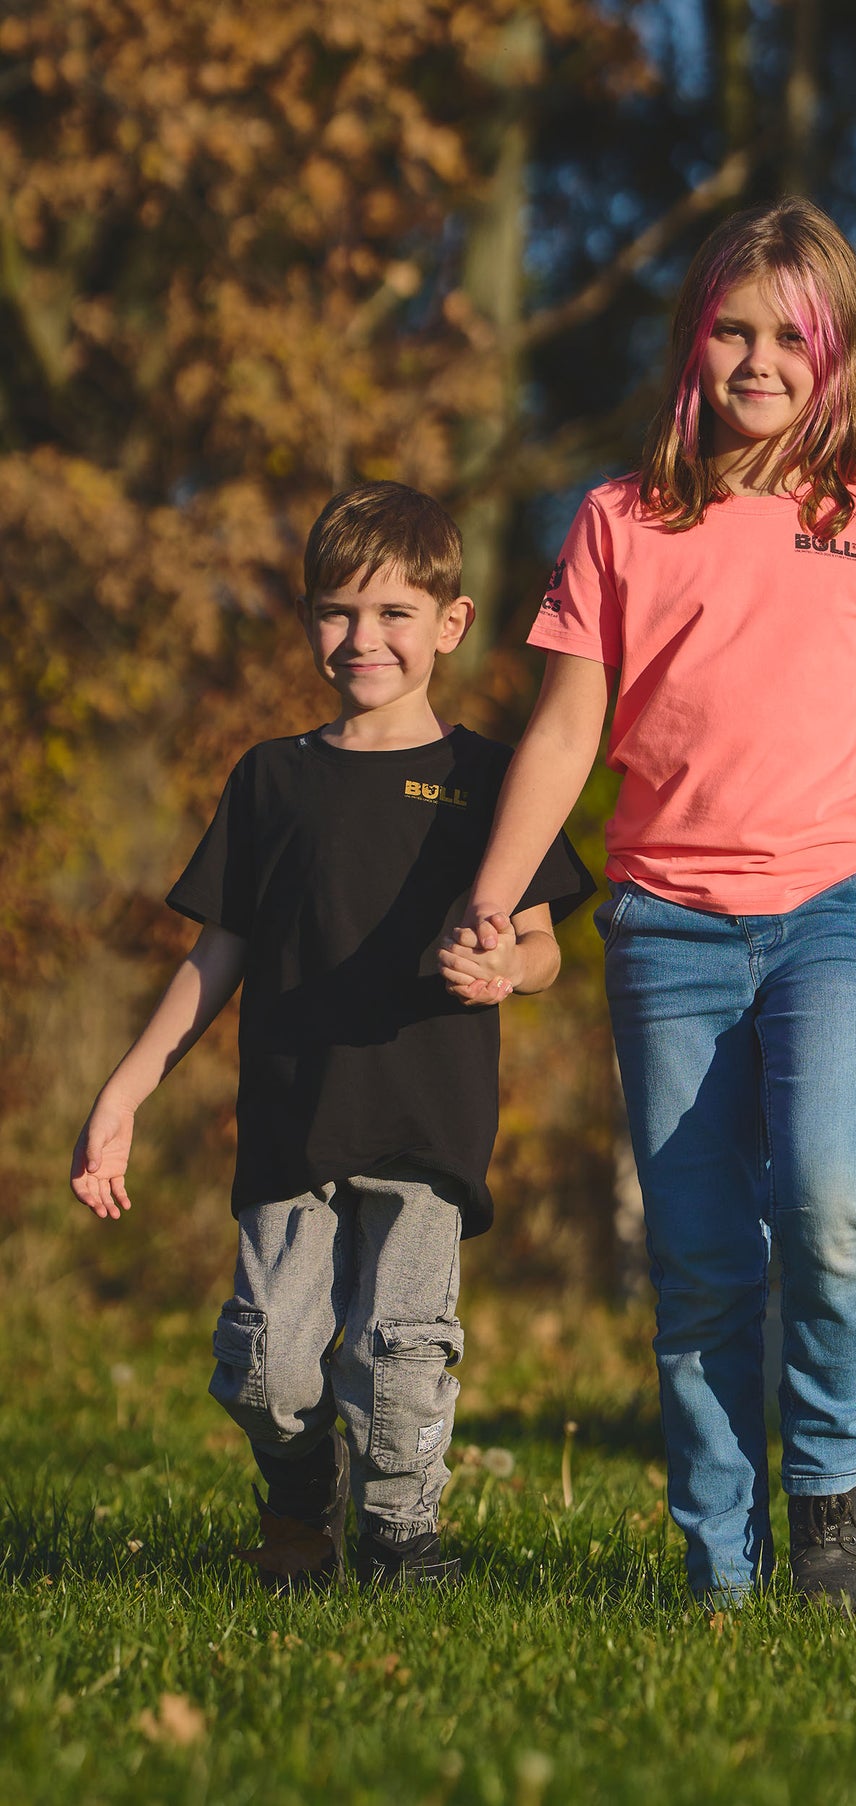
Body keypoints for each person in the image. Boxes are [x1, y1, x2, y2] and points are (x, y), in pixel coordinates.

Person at [437, 198, 856, 1609]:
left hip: (839, 913)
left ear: (837, 357)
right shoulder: (620, 522)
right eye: (733, 329)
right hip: (665, 928)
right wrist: (496, 903)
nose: (760, 359)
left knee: (826, 1205)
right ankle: (718, 1557)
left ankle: (826, 1491)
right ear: (693, 343)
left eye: (790, 336)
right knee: (695, 1256)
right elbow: (566, 733)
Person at [69, 482, 593, 1589]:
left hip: (423, 1122)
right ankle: (302, 1494)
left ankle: (404, 1544)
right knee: (269, 1365)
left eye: (394, 614)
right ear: (309, 619)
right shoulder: (272, 778)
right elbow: (216, 956)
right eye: (337, 612)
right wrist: (124, 1092)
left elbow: (543, 947)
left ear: (448, 625)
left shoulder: (491, 780)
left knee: (399, 1352)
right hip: (291, 1125)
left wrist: (508, 968)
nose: (363, 639)